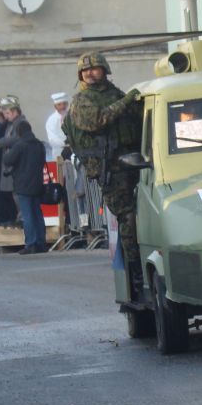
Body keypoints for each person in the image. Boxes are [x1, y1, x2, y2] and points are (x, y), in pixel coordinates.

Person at [63, 52, 145, 294]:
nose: (90, 73)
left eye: (94, 68)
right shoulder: (82, 100)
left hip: (133, 159)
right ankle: (135, 271)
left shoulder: (115, 93)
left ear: (105, 70)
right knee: (127, 216)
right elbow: (97, 121)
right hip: (111, 166)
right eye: (85, 70)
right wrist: (128, 101)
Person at [2, 120, 47, 254]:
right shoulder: (39, 145)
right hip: (38, 183)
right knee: (38, 214)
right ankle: (41, 242)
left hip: (23, 184)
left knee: (27, 215)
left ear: (19, 132)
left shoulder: (20, 145)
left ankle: (30, 243)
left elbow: (8, 160)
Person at [0, 96, 26, 224]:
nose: (5, 116)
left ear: (15, 111)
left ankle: (22, 216)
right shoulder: (11, 124)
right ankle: (20, 216)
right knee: (14, 193)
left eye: (7, 113)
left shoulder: (21, 123)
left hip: (17, 164)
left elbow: (17, 138)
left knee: (18, 193)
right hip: (12, 163)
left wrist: (0, 142)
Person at [46, 92, 69, 159]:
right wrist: (66, 144)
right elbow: (52, 139)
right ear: (55, 106)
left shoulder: (72, 116)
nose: (62, 107)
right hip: (59, 153)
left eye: (64, 104)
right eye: (59, 104)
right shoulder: (51, 120)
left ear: (67, 104)